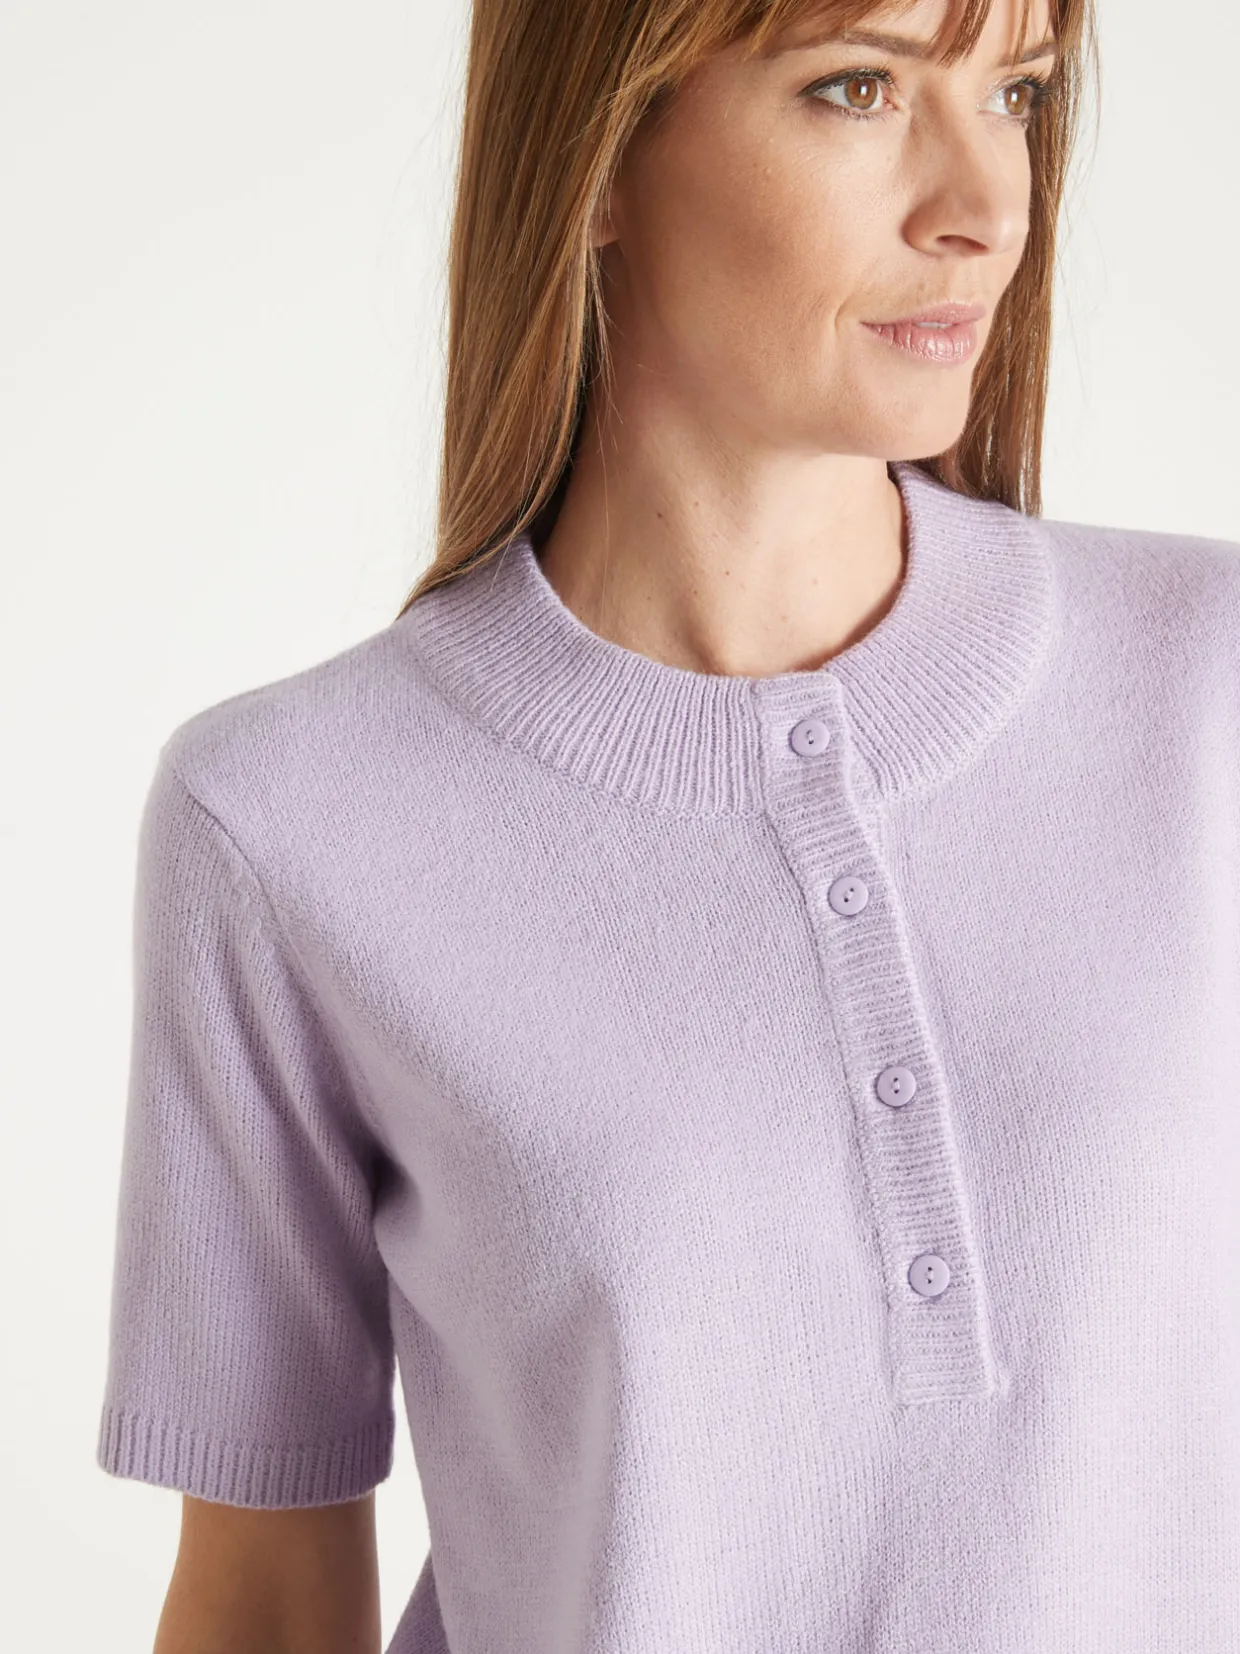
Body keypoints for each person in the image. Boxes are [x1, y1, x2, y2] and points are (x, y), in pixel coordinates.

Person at [95, 0, 1240, 1649]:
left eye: (1017, 93)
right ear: (600, 153)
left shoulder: (1206, 689)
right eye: (861, 87)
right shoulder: (283, 821)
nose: (987, 204)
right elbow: (267, 1603)